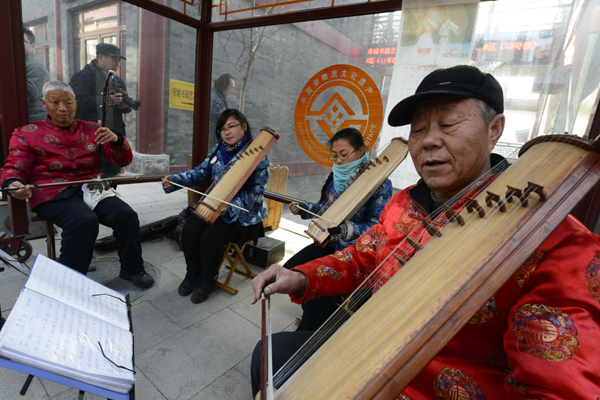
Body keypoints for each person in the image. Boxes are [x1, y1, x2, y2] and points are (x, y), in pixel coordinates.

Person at [249, 65, 600, 397]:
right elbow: (361, 258)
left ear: (494, 129)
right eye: (418, 129)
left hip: (427, 386)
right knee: (269, 354)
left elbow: (557, 385)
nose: (429, 140)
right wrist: (299, 277)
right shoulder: (403, 203)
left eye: (448, 123)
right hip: (364, 345)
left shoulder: (557, 243)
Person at [0, 80, 154, 288]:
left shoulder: (92, 129)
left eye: (68, 103)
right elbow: (15, 167)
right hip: (52, 192)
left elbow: (122, 161)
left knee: (125, 215)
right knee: (84, 220)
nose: (62, 108)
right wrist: (14, 183)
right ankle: (70, 283)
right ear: (44, 103)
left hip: (91, 188)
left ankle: (132, 268)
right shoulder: (26, 133)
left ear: (76, 103)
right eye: (55, 102)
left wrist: (117, 140)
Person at [285, 127, 392, 331]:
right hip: (328, 242)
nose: (339, 161)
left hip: (352, 252)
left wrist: (347, 229)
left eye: (344, 154)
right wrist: (304, 208)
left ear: (361, 151)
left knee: (320, 291)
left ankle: (314, 325)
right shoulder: (336, 180)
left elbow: (377, 227)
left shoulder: (380, 183)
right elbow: (324, 211)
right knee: (292, 269)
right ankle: (313, 311)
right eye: (334, 155)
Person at [163, 109, 269, 304]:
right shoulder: (218, 150)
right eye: (222, 129)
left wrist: (230, 207)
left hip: (243, 214)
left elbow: (257, 192)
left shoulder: (256, 154)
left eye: (231, 126)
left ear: (244, 126)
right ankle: (193, 274)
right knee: (189, 230)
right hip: (215, 205)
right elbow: (200, 172)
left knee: (210, 238)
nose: (226, 132)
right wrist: (176, 180)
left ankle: (208, 280)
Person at [70, 43, 132, 178]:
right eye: (114, 59)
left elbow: (124, 107)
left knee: (112, 173)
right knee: (93, 174)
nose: (117, 64)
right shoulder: (83, 77)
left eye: (119, 61)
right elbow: (76, 103)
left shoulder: (118, 81)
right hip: (92, 134)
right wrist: (107, 101)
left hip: (114, 133)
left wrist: (125, 106)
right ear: (101, 57)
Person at [23, 28, 50, 123]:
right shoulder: (20, 64)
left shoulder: (35, 67)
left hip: (34, 121)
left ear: (33, 46)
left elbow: (25, 96)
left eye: (23, 41)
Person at [208, 74, 235, 150]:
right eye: (231, 87)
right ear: (224, 85)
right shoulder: (213, 97)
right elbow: (214, 115)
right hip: (211, 135)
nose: (231, 91)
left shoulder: (221, 96)